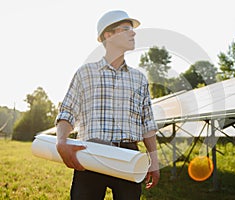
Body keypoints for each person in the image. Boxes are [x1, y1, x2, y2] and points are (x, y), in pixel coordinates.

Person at [55, 10, 160, 200]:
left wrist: (154, 160)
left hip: (129, 157)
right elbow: (67, 111)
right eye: (127, 29)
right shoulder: (85, 73)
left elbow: (148, 124)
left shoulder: (139, 79)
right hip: (90, 155)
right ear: (108, 35)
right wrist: (61, 140)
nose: (134, 33)